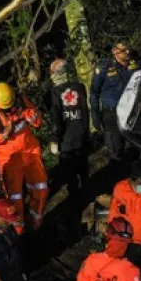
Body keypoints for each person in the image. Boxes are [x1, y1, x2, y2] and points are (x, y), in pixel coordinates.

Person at [0, 82, 48, 233]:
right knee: (14, 197)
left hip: (30, 152)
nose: (9, 110)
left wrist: (32, 117)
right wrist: (3, 136)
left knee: (41, 188)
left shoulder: (22, 101)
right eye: (5, 108)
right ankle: (18, 228)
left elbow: (38, 122)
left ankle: (37, 219)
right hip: (8, 159)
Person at [48, 58, 90, 199]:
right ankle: (86, 191)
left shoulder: (55, 93)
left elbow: (56, 120)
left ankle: (76, 199)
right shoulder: (80, 87)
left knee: (69, 172)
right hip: (81, 134)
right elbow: (85, 112)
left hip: (66, 140)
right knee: (83, 167)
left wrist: (54, 140)